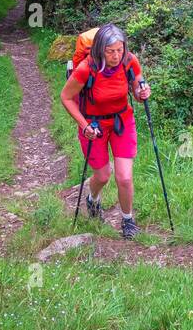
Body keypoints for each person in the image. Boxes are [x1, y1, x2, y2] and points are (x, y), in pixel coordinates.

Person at [59, 23, 151, 238]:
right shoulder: (86, 69)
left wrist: (143, 92)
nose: (116, 55)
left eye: (119, 50)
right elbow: (66, 97)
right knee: (102, 175)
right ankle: (92, 200)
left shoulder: (129, 61)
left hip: (122, 121)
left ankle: (128, 221)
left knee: (125, 177)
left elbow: (137, 91)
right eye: (111, 51)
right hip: (94, 125)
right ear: (101, 49)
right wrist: (85, 125)